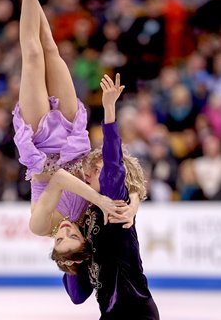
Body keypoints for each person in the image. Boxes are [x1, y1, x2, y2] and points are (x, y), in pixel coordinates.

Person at [0, 0, 136, 263]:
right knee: (52, 50)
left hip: (42, 147)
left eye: (61, 241)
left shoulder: (39, 225)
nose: (65, 233)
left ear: (53, 249)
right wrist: (130, 204)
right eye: (73, 238)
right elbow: (126, 187)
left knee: (31, 57)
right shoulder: (90, 223)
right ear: (83, 242)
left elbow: (57, 178)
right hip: (74, 141)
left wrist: (99, 202)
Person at [57, 74, 160, 319]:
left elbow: (113, 164)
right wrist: (69, 259)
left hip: (136, 313)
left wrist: (109, 109)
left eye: (98, 169)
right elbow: (78, 296)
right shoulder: (87, 216)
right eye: (91, 170)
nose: (93, 173)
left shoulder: (114, 205)